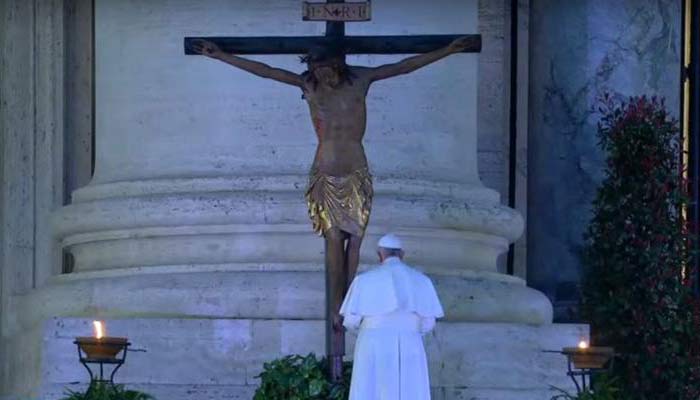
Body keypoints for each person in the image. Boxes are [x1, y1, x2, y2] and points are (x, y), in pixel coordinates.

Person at [191, 38, 469, 379]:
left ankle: (350, 303)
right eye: (317, 71)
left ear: (339, 65)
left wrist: (448, 50)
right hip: (325, 172)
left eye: (328, 70)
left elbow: (404, 66)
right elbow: (265, 71)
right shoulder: (307, 85)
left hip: (355, 171)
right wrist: (221, 57)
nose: (324, 77)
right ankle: (340, 310)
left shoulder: (361, 81)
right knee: (334, 241)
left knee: (355, 240)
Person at [340, 233, 444, 400]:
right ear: (402, 254)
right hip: (411, 342)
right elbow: (428, 323)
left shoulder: (364, 281)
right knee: (411, 389)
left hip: (373, 343)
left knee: (371, 389)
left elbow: (351, 321)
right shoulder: (422, 281)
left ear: (380, 255)